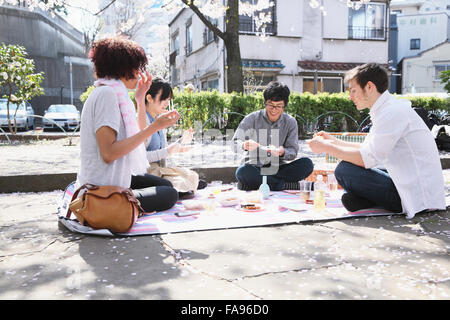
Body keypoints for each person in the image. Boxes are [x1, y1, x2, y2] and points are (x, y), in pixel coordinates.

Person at [307, 63, 445, 218]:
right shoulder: (387, 109)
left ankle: (365, 199)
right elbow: (367, 148)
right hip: (410, 183)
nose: (350, 97)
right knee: (360, 169)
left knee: (345, 170)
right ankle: (365, 200)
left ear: (370, 87)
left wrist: (326, 147)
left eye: (353, 90)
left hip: (417, 197)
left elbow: (368, 158)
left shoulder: (391, 112)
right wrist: (333, 141)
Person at [75, 36, 181, 213]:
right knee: (169, 194)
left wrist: (140, 100)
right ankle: (123, 206)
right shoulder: (107, 95)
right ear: (122, 67)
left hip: (115, 180)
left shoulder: (115, 94)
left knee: (166, 186)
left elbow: (136, 139)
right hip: (101, 193)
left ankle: (129, 200)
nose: (140, 73)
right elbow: (109, 153)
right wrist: (154, 127)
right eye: (137, 67)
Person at [232, 81, 314, 191]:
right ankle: (285, 185)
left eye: (278, 106)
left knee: (307, 164)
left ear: (284, 106)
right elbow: (234, 142)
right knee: (242, 172)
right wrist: (244, 145)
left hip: (278, 168)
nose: (274, 110)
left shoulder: (290, 122)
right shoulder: (252, 118)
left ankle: (258, 184)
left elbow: (293, 151)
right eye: (270, 105)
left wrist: (282, 152)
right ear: (265, 102)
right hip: (255, 167)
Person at [141, 78, 207, 198]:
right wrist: (168, 151)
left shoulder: (159, 119)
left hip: (159, 170)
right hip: (146, 171)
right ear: (149, 98)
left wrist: (181, 142)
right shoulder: (141, 120)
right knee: (181, 182)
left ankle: (181, 188)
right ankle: (179, 189)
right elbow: (139, 157)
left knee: (192, 176)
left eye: (168, 99)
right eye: (163, 99)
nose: (166, 103)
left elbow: (164, 151)